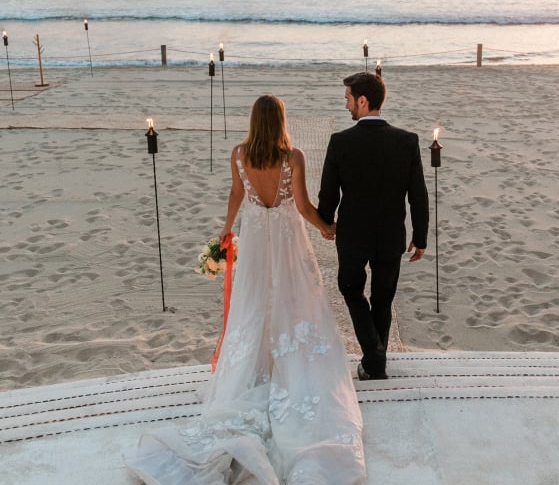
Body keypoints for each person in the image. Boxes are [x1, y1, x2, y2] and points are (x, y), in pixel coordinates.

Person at [126, 95, 366, 484]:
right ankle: (288, 365)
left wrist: (227, 227)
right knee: (296, 297)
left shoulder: (239, 153)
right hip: (288, 236)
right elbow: (303, 206)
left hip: (254, 234)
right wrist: (327, 226)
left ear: (254, 121)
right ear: (282, 121)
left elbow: (237, 194)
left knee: (253, 302)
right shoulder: (294, 157)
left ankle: (255, 366)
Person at [318, 72, 429, 381]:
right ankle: (375, 361)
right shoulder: (407, 141)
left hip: (353, 235)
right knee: (383, 299)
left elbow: (328, 194)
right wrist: (420, 237)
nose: (346, 106)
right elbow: (418, 194)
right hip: (391, 235)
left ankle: (374, 355)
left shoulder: (341, 142)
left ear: (363, 101)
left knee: (350, 289)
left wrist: (326, 222)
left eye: (348, 99)